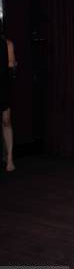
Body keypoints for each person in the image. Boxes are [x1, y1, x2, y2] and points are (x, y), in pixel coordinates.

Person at [0, 35, 16, 172]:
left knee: (6, 121)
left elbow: (11, 65)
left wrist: (13, 63)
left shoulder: (7, 44)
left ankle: (9, 159)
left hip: (3, 87)